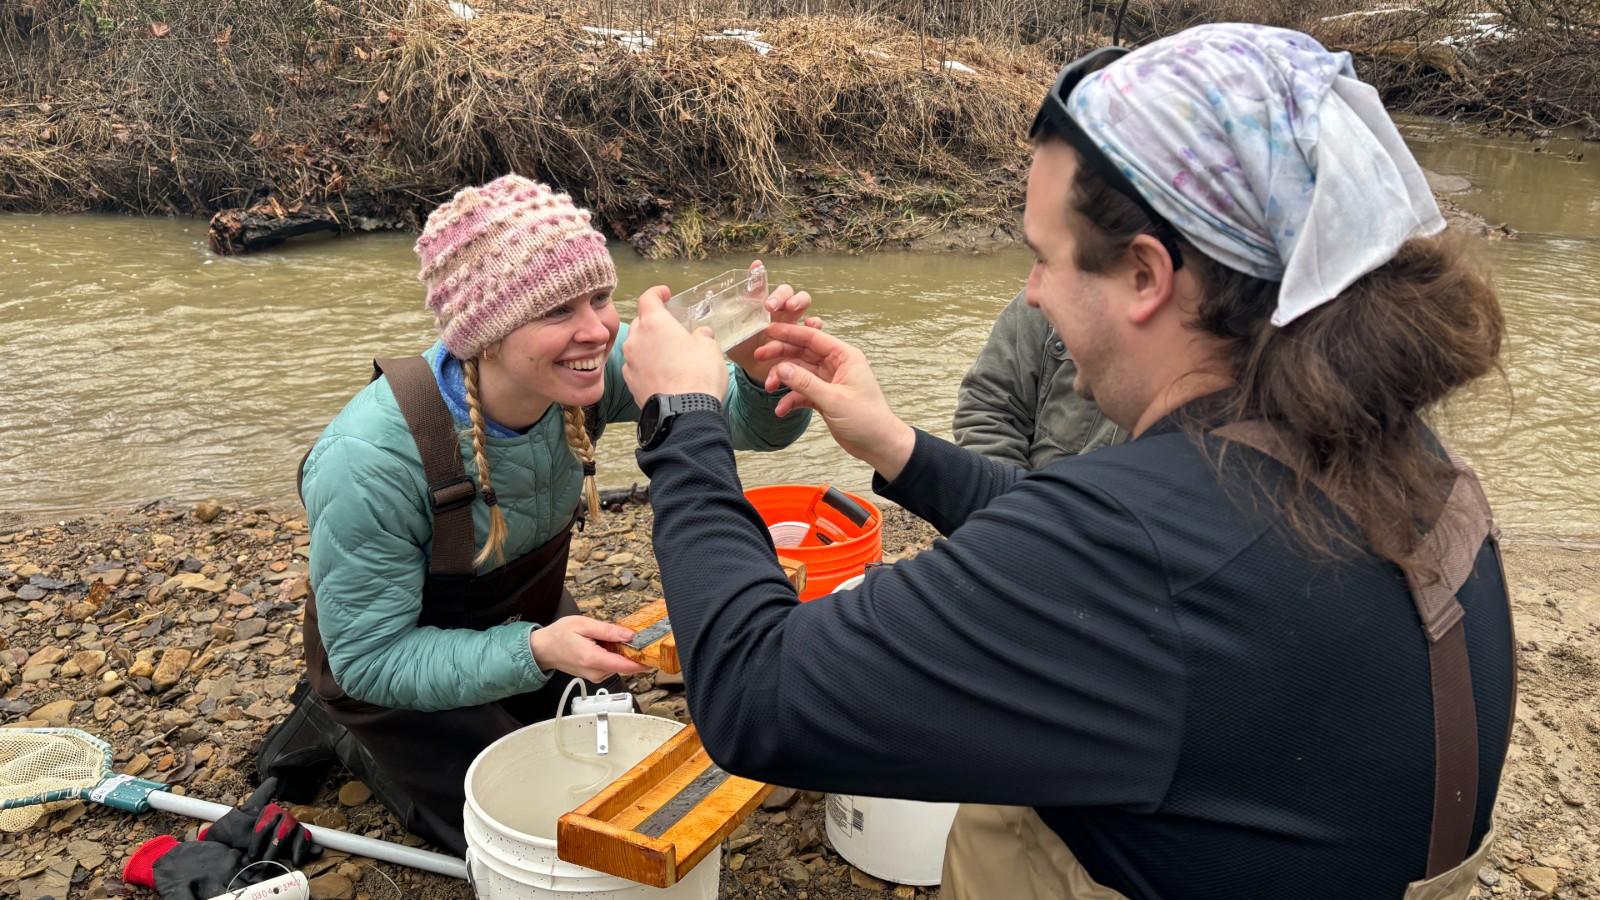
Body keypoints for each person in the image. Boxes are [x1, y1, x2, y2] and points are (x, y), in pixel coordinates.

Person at [618, 24, 1515, 900]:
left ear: (1146, 277)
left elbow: (753, 692)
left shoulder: (1136, 548)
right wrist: (896, 445)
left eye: (1043, 259)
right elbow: (1082, 542)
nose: (1031, 292)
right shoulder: (1398, 458)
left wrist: (683, 415)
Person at [258, 175, 814, 854]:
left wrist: (760, 372)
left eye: (602, 297)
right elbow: (368, 659)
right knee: (523, 833)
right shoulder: (368, 459)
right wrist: (535, 649)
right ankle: (342, 733)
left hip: (524, 621)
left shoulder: (589, 372)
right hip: (386, 661)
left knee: (618, 791)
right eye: (556, 310)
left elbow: (746, 427)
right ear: (485, 334)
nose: (599, 330)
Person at [954, 289, 1123, 467]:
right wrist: (1015, 491)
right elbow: (989, 406)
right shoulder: (1041, 300)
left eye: (1043, 262)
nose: (1033, 287)